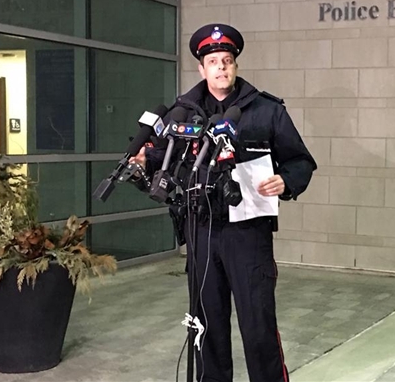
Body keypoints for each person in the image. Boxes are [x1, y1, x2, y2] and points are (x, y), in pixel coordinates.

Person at [131, 23, 317, 382]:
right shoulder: (181, 113)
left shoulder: (266, 110)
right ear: (202, 68)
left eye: (227, 60)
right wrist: (142, 163)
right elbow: (157, 161)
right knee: (207, 327)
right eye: (213, 61)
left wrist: (287, 181)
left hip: (248, 233)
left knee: (258, 325)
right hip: (201, 229)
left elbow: (300, 161)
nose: (221, 67)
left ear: (235, 65)